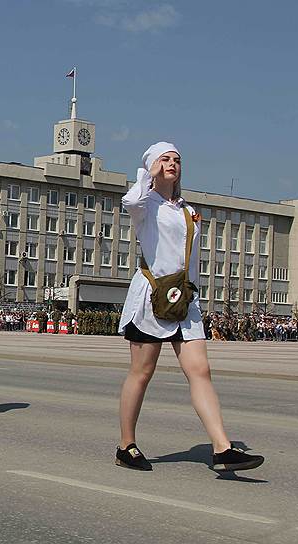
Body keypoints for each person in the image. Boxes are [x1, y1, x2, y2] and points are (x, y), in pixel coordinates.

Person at [115, 142, 264, 473]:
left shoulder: (187, 209)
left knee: (201, 370)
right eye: (165, 159)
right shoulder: (146, 204)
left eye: (177, 160)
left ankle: (222, 449)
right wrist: (149, 174)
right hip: (151, 297)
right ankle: (126, 444)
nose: (172, 164)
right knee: (142, 373)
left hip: (184, 299)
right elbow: (130, 200)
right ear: (153, 165)